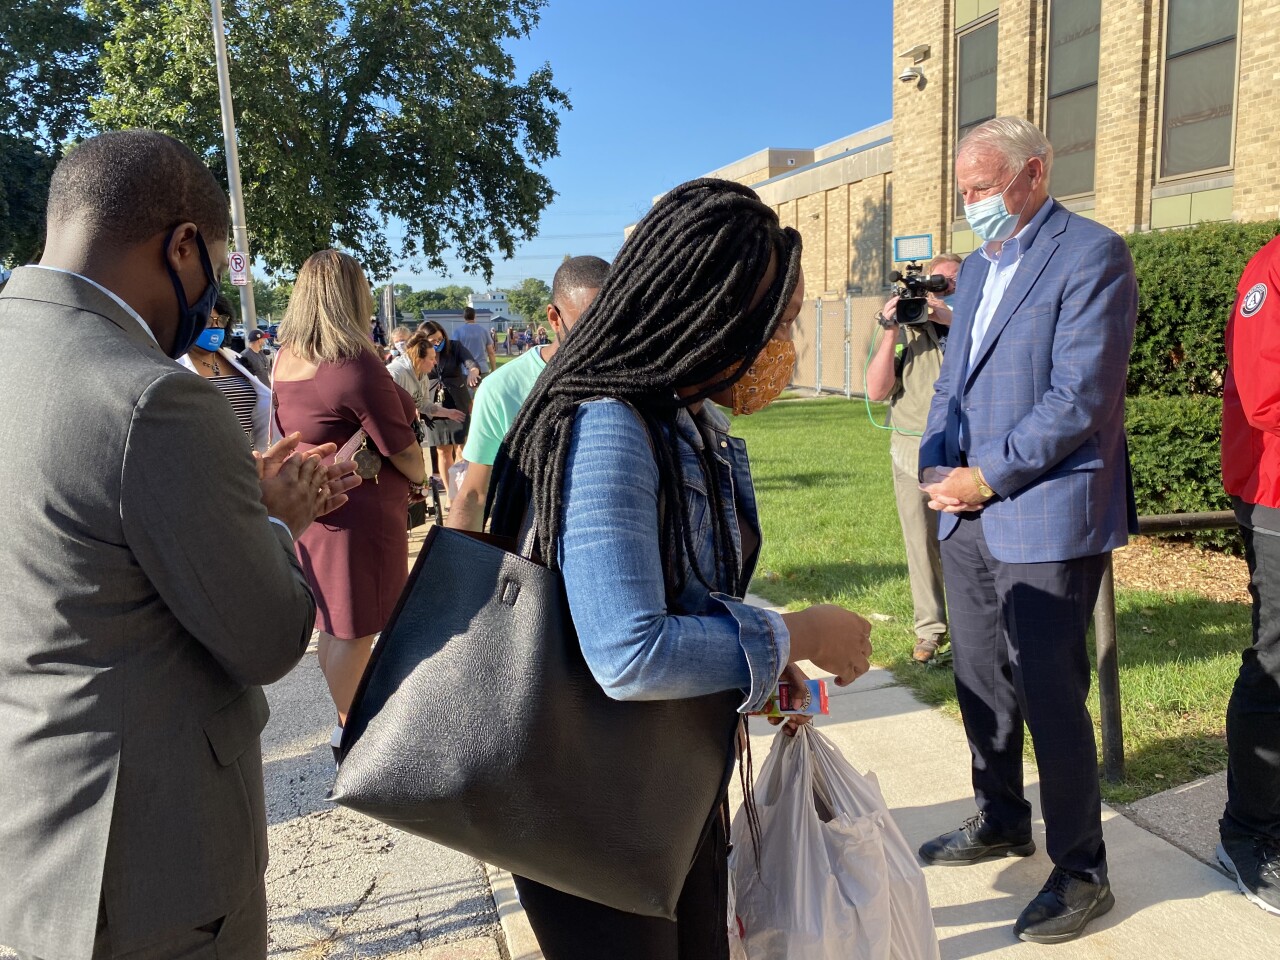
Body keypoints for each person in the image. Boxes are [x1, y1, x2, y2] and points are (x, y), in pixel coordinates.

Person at [485, 179, 874, 959]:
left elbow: (678, 594)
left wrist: (757, 665)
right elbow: (627, 650)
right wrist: (793, 631)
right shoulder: (609, 427)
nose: (784, 347)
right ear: (714, 314)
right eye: (779, 323)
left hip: (661, 788)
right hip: (593, 815)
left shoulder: (682, 419)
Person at [0, 129, 359, 960]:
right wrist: (274, 521)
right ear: (184, 245)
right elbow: (267, 635)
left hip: (29, 841)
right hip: (149, 871)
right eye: (216, 263)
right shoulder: (154, 400)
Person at [915, 117, 1138, 944]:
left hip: (1044, 511)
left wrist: (989, 475)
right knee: (981, 677)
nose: (971, 204)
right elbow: (953, 385)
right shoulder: (976, 267)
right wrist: (938, 466)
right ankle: (1001, 816)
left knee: (1049, 690)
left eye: (983, 188)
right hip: (966, 511)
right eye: (965, 192)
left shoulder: (1091, 255)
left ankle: (1084, 869)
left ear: (1034, 174)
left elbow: (1081, 397)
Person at [273, 251, 428, 744]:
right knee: (355, 629)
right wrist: (421, 475)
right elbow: (399, 448)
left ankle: (351, 729)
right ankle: (358, 735)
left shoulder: (288, 356)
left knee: (335, 625)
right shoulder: (348, 360)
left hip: (319, 507)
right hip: (361, 510)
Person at [448, 255, 610, 532]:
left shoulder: (630, 378)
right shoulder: (501, 388)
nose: (600, 338)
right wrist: (453, 569)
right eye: (587, 326)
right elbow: (474, 494)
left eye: (610, 322)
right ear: (554, 319)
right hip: (533, 557)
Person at [1217, 235, 1280, 916]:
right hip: (1275, 492)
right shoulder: (1272, 269)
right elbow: (1266, 398)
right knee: (1276, 662)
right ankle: (1248, 835)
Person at [865, 252, 962, 663]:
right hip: (911, 450)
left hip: (965, 451)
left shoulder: (978, 319)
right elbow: (876, 391)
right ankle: (930, 631)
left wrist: (950, 318)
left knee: (965, 546)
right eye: (930, 284)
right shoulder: (910, 330)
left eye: (946, 283)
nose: (934, 292)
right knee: (920, 545)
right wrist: (890, 331)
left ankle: (976, 627)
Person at [178, 296, 273, 452]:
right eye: (208, 321)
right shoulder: (175, 364)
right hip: (208, 460)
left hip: (250, 459)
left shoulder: (235, 358)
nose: (215, 326)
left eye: (220, 320)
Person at [418, 320, 481, 496]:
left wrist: (473, 372)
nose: (437, 343)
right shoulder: (420, 353)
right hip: (433, 406)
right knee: (442, 450)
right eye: (432, 341)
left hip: (458, 402)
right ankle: (450, 494)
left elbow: (471, 363)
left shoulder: (454, 347)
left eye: (440, 338)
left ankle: (463, 491)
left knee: (462, 449)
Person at [387, 327, 468, 426]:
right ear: (418, 359)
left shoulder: (423, 376)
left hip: (406, 426)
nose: (435, 362)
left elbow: (423, 404)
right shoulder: (396, 374)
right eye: (431, 358)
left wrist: (447, 413)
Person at [453, 305, 498, 374]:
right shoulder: (483, 331)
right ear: (475, 316)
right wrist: (494, 369)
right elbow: (491, 352)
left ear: (464, 317)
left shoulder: (458, 332)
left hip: (467, 371)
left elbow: (454, 352)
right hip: (482, 369)